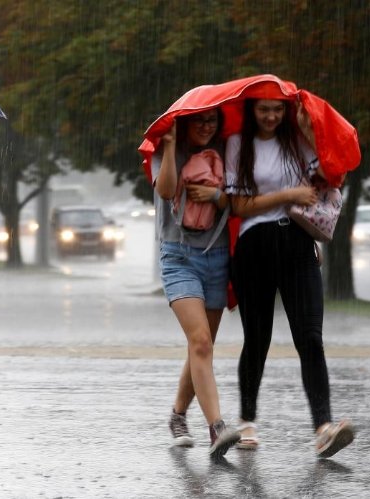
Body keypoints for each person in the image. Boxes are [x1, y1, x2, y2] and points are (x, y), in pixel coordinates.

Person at [225, 98, 355, 458]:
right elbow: (238, 206)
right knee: (257, 339)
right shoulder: (239, 144)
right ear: (252, 110)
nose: (270, 116)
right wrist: (288, 195)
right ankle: (247, 420)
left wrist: (311, 128)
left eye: (277, 110)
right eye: (263, 109)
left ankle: (324, 427)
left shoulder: (297, 141)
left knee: (310, 337)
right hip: (255, 247)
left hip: (298, 242)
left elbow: (329, 176)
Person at [152, 108, 241, 458]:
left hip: (217, 257)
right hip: (178, 256)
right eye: (199, 121)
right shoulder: (167, 149)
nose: (206, 127)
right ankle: (217, 427)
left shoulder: (228, 149)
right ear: (185, 123)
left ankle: (177, 415)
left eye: (212, 121)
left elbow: (241, 201)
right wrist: (172, 146)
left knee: (201, 346)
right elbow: (165, 191)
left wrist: (217, 198)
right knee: (200, 340)